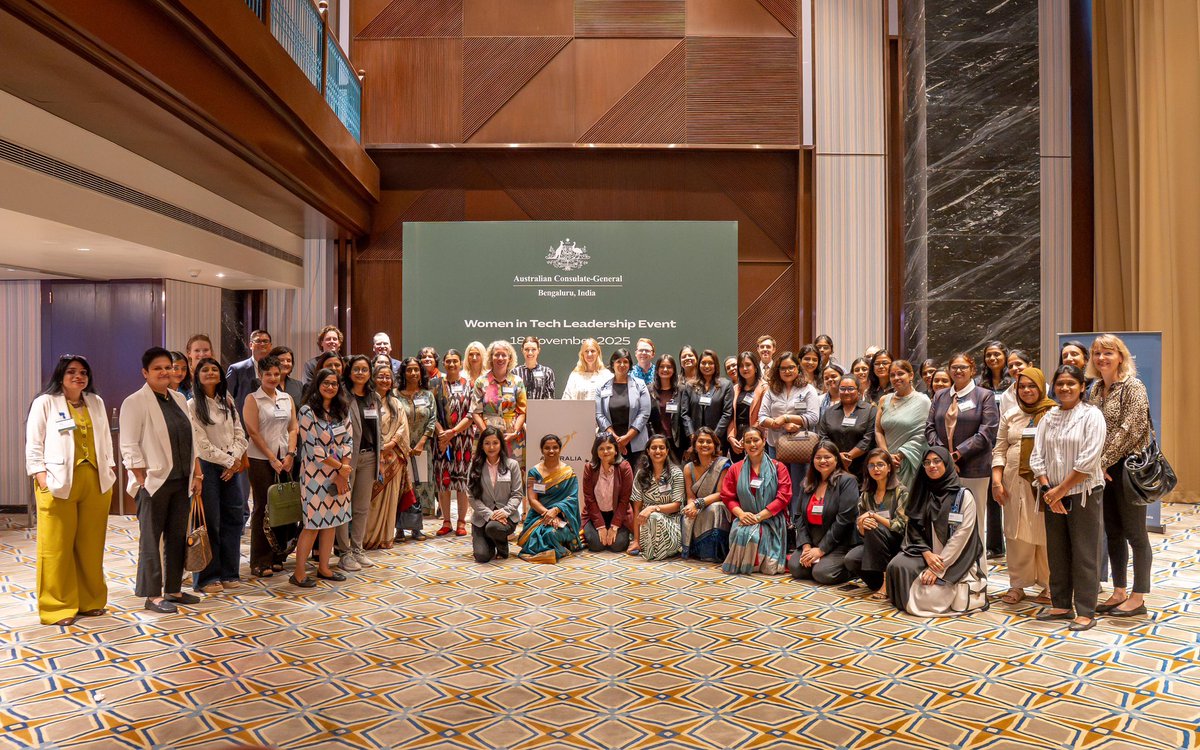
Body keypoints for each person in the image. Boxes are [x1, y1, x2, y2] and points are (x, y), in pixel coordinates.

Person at [25, 355, 116, 626]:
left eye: (83, 372)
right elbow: (34, 442)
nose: (79, 376)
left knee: (91, 545)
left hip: (95, 481)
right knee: (56, 547)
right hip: (57, 480)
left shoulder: (95, 402)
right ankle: (57, 606)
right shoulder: (45, 402)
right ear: (61, 375)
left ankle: (90, 601)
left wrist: (109, 470)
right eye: (72, 372)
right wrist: (40, 476)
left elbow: (105, 439)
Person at [120, 347, 204, 614]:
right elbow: (129, 444)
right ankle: (152, 594)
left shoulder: (178, 398)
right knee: (151, 540)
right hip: (153, 482)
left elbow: (192, 440)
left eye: (168, 367)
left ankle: (173, 589)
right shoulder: (135, 402)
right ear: (145, 372)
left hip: (181, 480)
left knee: (177, 536)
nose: (165, 372)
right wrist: (140, 478)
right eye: (158, 368)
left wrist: (197, 473)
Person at [1031, 365, 1108, 631]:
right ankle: (1061, 605)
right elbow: (1036, 456)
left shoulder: (1092, 416)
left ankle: (1086, 610)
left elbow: (1089, 459)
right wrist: (1047, 490)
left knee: (1085, 553)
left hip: (1083, 493)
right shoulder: (1048, 417)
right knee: (1057, 551)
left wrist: (1060, 491)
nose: (1065, 388)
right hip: (1052, 494)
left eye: (1071, 383)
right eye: (1060, 383)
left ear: (1082, 387)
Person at [1087, 334, 1155, 618]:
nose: (1102, 358)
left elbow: (1132, 428)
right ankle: (1119, 591)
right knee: (1113, 532)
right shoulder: (1095, 388)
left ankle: (1138, 597)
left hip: (1128, 467)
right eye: (1097, 353)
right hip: (1103, 470)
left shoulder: (1133, 386)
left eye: (1108, 353)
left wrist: (1103, 461)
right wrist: (1097, 464)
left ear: (1121, 356)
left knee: (1136, 534)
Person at [885, 447, 988, 617]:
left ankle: (914, 599)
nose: (931, 465)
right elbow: (913, 528)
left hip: (955, 557)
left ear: (947, 463)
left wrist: (938, 568)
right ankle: (907, 600)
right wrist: (926, 553)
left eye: (937, 461)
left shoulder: (963, 496)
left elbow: (961, 536)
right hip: (926, 551)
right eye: (927, 462)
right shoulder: (922, 492)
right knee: (897, 566)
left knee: (932, 597)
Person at [991, 367, 1054, 605]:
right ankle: (1017, 585)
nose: (1026, 391)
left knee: (1045, 534)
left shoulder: (1054, 413)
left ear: (1041, 387)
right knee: (1016, 534)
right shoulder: (1011, 415)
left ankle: (1049, 585)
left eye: (1032, 386)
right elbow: (1000, 449)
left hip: (1043, 484)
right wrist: (996, 481)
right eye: (1022, 387)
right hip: (1012, 483)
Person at [187, 357, 248, 594]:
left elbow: (239, 433)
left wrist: (234, 460)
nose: (211, 372)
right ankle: (207, 577)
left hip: (231, 466)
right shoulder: (192, 405)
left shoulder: (227, 401)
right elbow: (200, 444)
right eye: (205, 370)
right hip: (208, 468)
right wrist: (229, 461)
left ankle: (229, 572)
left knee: (233, 520)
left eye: (215, 369)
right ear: (197, 376)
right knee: (210, 522)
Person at [925, 352, 998, 546]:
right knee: (945, 518)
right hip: (944, 469)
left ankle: (976, 562)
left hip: (974, 468)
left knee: (974, 519)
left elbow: (987, 431)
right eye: (954, 367)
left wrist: (957, 454)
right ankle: (947, 559)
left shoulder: (984, 396)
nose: (958, 371)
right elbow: (929, 428)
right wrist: (944, 456)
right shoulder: (940, 396)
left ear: (972, 370)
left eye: (963, 367)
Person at [290, 368, 352, 587]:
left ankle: (324, 568)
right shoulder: (307, 411)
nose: (330, 387)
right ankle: (298, 573)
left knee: (331, 522)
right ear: (317, 384)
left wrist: (343, 470)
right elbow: (313, 448)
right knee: (313, 524)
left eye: (334, 383)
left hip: (340, 474)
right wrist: (341, 467)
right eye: (326, 383)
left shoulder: (341, 410)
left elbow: (348, 440)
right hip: (314, 476)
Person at [242, 355, 299, 578]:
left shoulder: (286, 398)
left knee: (282, 508)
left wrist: (290, 454)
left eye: (276, 373)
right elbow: (253, 432)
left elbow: (293, 428)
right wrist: (272, 459)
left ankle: (278, 555)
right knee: (263, 508)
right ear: (260, 375)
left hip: (285, 459)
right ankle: (260, 560)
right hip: (260, 459)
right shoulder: (252, 399)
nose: (273, 378)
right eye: (268, 374)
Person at [756, 351, 820, 526]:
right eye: (783, 368)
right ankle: (782, 524)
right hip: (775, 446)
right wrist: (781, 424)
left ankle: (798, 525)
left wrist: (787, 418)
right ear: (777, 370)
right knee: (779, 486)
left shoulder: (808, 389)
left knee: (800, 486)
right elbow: (762, 417)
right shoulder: (771, 390)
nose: (787, 371)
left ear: (798, 368)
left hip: (801, 446)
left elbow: (814, 417)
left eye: (791, 367)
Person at [720, 427, 790, 575]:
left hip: (771, 519)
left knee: (758, 537)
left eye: (756, 440)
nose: (752, 445)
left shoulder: (779, 467)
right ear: (743, 444)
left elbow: (783, 497)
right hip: (744, 517)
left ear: (764, 441)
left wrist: (759, 517)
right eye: (748, 441)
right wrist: (741, 515)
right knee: (745, 532)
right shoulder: (735, 469)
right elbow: (727, 496)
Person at [787, 441, 860, 584]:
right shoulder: (807, 482)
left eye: (827, 457)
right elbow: (799, 516)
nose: (822, 461)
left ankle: (852, 569)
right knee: (796, 568)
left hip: (839, 543)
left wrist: (821, 550)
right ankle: (817, 558)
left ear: (836, 459)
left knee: (822, 573)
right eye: (818, 457)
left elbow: (844, 520)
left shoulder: (848, 481)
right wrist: (806, 546)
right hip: (813, 540)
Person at [335, 355, 381, 572]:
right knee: (343, 506)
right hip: (347, 459)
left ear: (370, 373)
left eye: (364, 369)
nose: (360, 373)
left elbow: (378, 430)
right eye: (356, 369)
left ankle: (357, 549)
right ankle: (344, 553)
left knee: (361, 507)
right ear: (349, 371)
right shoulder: (342, 395)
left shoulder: (374, 397)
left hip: (370, 457)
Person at [843, 449, 909, 599]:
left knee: (875, 527)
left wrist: (874, 516)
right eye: (871, 465)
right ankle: (879, 583)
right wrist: (862, 524)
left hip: (896, 543)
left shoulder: (901, 491)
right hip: (874, 543)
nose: (876, 469)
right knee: (851, 559)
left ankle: (886, 584)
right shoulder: (867, 494)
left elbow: (901, 526)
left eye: (880, 464)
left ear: (889, 467)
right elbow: (861, 531)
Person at [364, 364, 410, 550]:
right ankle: (367, 538)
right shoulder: (367, 401)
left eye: (388, 377)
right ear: (373, 379)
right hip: (371, 457)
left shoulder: (396, 403)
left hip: (393, 458)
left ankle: (385, 537)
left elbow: (403, 427)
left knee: (390, 501)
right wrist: (378, 449)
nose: (384, 380)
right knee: (370, 500)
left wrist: (391, 445)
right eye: (380, 376)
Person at [518, 434, 582, 563]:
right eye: (547, 448)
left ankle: (558, 549)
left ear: (560, 449)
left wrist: (556, 510)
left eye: (555, 447)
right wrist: (548, 514)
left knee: (551, 533)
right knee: (535, 536)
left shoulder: (568, 473)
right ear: (542, 450)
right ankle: (559, 550)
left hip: (563, 517)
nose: (551, 451)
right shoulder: (534, 472)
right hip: (538, 515)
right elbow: (533, 500)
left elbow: (572, 499)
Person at [433, 348, 474, 536]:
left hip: (463, 439)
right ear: (443, 363)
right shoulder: (435, 385)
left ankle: (461, 522)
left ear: (460, 363)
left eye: (455, 361)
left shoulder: (469, 385)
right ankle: (446, 521)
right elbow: (431, 413)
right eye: (448, 361)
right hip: (442, 441)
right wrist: (443, 434)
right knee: (444, 480)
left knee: (462, 482)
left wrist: (453, 432)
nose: (451, 364)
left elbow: (472, 414)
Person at [467, 427, 524, 562]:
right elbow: (472, 496)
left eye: (495, 443)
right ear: (481, 445)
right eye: (487, 443)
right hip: (482, 518)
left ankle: (502, 546)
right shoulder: (474, 465)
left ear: (501, 444)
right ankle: (490, 540)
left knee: (493, 527)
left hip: (506, 517)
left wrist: (505, 511)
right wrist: (489, 514)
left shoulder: (512, 465)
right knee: (482, 556)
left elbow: (517, 494)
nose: (491, 447)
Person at [874, 360, 932, 490]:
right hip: (886, 462)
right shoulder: (884, 399)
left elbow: (923, 434)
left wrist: (900, 455)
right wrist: (886, 455)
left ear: (911, 375)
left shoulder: (923, 401)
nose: (896, 378)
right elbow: (878, 430)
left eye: (900, 374)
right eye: (892, 375)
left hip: (909, 461)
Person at [471, 340, 528, 469]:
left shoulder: (517, 382)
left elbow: (522, 411)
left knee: (513, 473)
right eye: (497, 355)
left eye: (504, 355)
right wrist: (488, 435)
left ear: (510, 358)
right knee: (486, 473)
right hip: (487, 437)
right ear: (491, 357)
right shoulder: (481, 382)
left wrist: (515, 432)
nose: (500, 358)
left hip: (512, 438)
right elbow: (475, 412)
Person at [396, 356, 436, 538]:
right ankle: (399, 528)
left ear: (421, 373)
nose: (413, 373)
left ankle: (416, 527)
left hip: (422, 449)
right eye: (409, 370)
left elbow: (432, 420)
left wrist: (421, 443)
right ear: (403, 373)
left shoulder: (427, 395)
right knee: (400, 487)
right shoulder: (395, 395)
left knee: (419, 487)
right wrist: (402, 445)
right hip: (399, 449)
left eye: (416, 369)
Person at [681, 428, 732, 562]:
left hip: (718, 504)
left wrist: (698, 504)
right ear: (694, 445)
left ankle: (715, 552)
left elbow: (721, 494)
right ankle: (697, 550)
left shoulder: (722, 464)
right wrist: (691, 506)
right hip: (698, 504)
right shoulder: (688, 468)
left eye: (709, 442)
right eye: (701, 441)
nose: (704, 445)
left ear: (715, 445)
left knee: (715, 508)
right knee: (687, 513)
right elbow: (690, 495)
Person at [595, 348, 652, 469]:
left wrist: (627, 438)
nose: (622, 365)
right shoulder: (602, 387)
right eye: (618, 361)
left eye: (625, 361)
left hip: (636, 442)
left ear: (630, 364)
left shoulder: (640, 385)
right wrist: (615, 439)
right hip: (609, 444)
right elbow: (599, 415)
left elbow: (644, 413)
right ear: (612, 364)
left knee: (637, 477)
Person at [631, 435, 684, 560]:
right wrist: (636, 541)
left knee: (654, 516)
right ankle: (652, 552)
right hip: (646, 526)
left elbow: (677, 505)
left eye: (661, 447)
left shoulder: (676, 473)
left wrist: (652, 508)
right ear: (648, 451)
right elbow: (637, 509)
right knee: (651, 518)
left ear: (667, 451)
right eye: (654, 448)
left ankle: (658, 553)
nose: (658, 451)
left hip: (671, 525)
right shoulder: (641, 474)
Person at [581, 434, 634, 553]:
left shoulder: (624, 467)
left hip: (618, 514)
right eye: (601, 448)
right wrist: (600, 526)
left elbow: (624, 500)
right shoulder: (589, 468)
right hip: (595, 514)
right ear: (596, 451)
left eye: (609, 448)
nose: (605, 452)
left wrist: (614, 526)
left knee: (617, 546)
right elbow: (589, 499)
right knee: (596, 546)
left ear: (616, 450)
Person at [816, 376, 876, 478]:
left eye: (851, 388)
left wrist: (848, 456)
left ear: (858, 390)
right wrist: (837, 456)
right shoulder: (829, 411)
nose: (846, 392)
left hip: (863, 466)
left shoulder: (870, 410)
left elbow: (868, 439)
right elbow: (823, 436)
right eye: (842, 389)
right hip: (834, 466)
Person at [646, 353, 694, 464]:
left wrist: (690, 444)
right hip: (656, 442)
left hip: (677, 443)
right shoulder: (649, 390)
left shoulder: (682, 390)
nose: (665, 369)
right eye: (662, 367)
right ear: (657, 370)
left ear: (674, 370)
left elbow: (686, 417)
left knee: (677, 472)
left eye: (669, 367)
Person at [692, 349, 733, 453]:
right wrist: (692, 436)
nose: (707, 366)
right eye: (703, 363)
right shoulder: (691, 386)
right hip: (696, 440)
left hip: (718, 439)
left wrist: (714, 436)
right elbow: (685, 413)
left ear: (716, 365)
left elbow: (727, 413)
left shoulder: (725, 385)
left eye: (710, 363)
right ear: (699, 365)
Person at [728, 351, 767, 461]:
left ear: (755, 367)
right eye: (741, 366)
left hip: (756, 437)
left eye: (748, 365)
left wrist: (748, 438)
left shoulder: (764, 387)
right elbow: (731, 416)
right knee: (738, 469)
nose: (744, 368)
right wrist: (731, 437)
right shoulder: (735, 388)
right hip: (737, 438)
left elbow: (764, 416)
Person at [226, 330, 272, 411]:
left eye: (265, 341)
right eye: (258, 341)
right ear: (251, 345)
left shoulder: (275, 369)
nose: (262, 344)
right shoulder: (237, 369)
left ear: (270, 346)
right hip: (244, 416)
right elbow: (227, 397)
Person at [997, 349, 1033, 416]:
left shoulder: (1044, 389)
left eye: (1018, 364)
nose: (1014, 368)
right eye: (1010, 366)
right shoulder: (1005, 396)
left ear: (1030, 365)